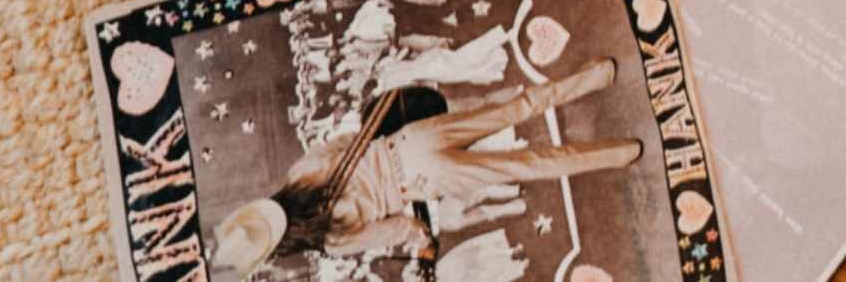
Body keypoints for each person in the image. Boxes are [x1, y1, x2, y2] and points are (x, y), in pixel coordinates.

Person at [207, 57, 640, 273]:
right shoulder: (300, 173)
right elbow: (351, 139)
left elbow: (401, 229)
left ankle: (618, 153)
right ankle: (595, 75)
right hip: (409, 141)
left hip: (422, 180)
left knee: (525, 165)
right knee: (514, 108)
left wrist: (423, 245)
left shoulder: (331, 241)